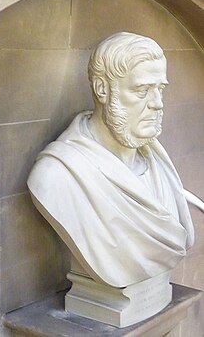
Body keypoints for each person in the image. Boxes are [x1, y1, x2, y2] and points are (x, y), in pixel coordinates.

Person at [27, 32, 194, 288]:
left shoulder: (159, 163)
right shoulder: (55, 176)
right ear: (102, 89)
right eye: (142, 90)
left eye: (160, 89)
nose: (158, 104)